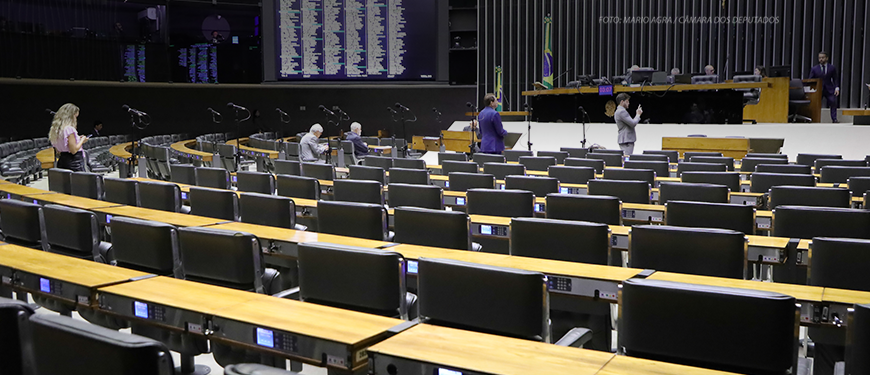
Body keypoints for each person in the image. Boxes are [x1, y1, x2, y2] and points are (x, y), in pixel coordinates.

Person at [48, 103, 88, 171]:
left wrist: (77, 139)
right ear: (71, 116)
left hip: (62, 160)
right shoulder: (69, 129)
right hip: (74, 162)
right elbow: (74, 150)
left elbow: (58, 150)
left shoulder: (55, 130)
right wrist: (82, 140)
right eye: (75, 117)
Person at [808, 51, 841, 123]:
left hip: (829, 88)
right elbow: (810, 79)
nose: (821, 59)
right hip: (819, 89)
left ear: (827, 58)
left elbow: (835, 78)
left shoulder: (832, 68)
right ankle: (813, 118)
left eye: (823, 58)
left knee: (833, 102)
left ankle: (834, 119)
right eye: (819, 58)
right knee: (815, 104)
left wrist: (837, 88)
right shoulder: (814, 69)